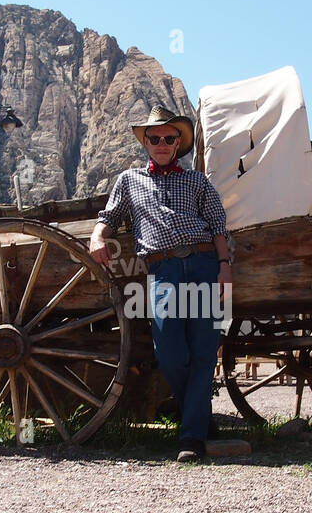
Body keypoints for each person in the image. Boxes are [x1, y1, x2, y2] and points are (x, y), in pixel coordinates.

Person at [90, 104, 232, 462]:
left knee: (202, 351)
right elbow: (109, 215)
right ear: (147, 143)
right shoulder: (129, 181)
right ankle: (197, 418)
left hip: (202, 264)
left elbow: (217, 225)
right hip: (162, 270)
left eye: (169, 138)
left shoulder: (197, 181)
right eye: (155, 138)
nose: (162, 143)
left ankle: (192, 438)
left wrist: (224, 267)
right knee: (169, 352)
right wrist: (96, 237)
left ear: (178, 142)